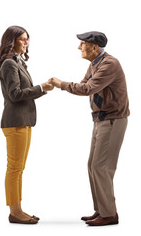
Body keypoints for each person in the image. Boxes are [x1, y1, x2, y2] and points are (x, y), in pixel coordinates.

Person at [49, 31, 130, 226]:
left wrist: (61, 84)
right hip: (100, 120)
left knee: (101, 167)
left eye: (82, 44)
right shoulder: (95, 64)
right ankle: (101, 210)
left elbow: (87, 89)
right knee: (92, 165)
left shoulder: (110, 64)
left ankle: (109, 214)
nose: (79, 48)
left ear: (94, 47)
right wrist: (68, 85)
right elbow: (84, 85)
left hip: (112, 120)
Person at [0, 25, 54, 224]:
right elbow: (15, 95)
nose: (26, 42)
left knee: (19, 168)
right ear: (11, 42)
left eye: (27, 38)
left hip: (24, 121)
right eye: (22, 39)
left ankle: (18, 209)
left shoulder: (19, 63)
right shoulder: (9, 64)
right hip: (15, 122)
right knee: (14, 168)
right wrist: (41, 88)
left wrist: (40, 88)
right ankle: (15, 211)